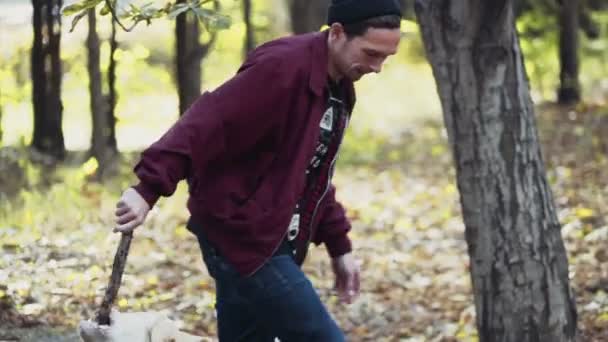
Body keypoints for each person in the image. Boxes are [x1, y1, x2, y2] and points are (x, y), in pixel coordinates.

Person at [113, 0, 402, 340]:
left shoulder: (338, 88)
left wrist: (339, 244)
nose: (378, 67)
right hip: (244, 238)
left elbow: (312, 171)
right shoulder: (282, 68)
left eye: (385, 57)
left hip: (273, 235)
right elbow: (208, 122)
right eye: (371, 54)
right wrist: (147, 189)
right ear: (337, 33)